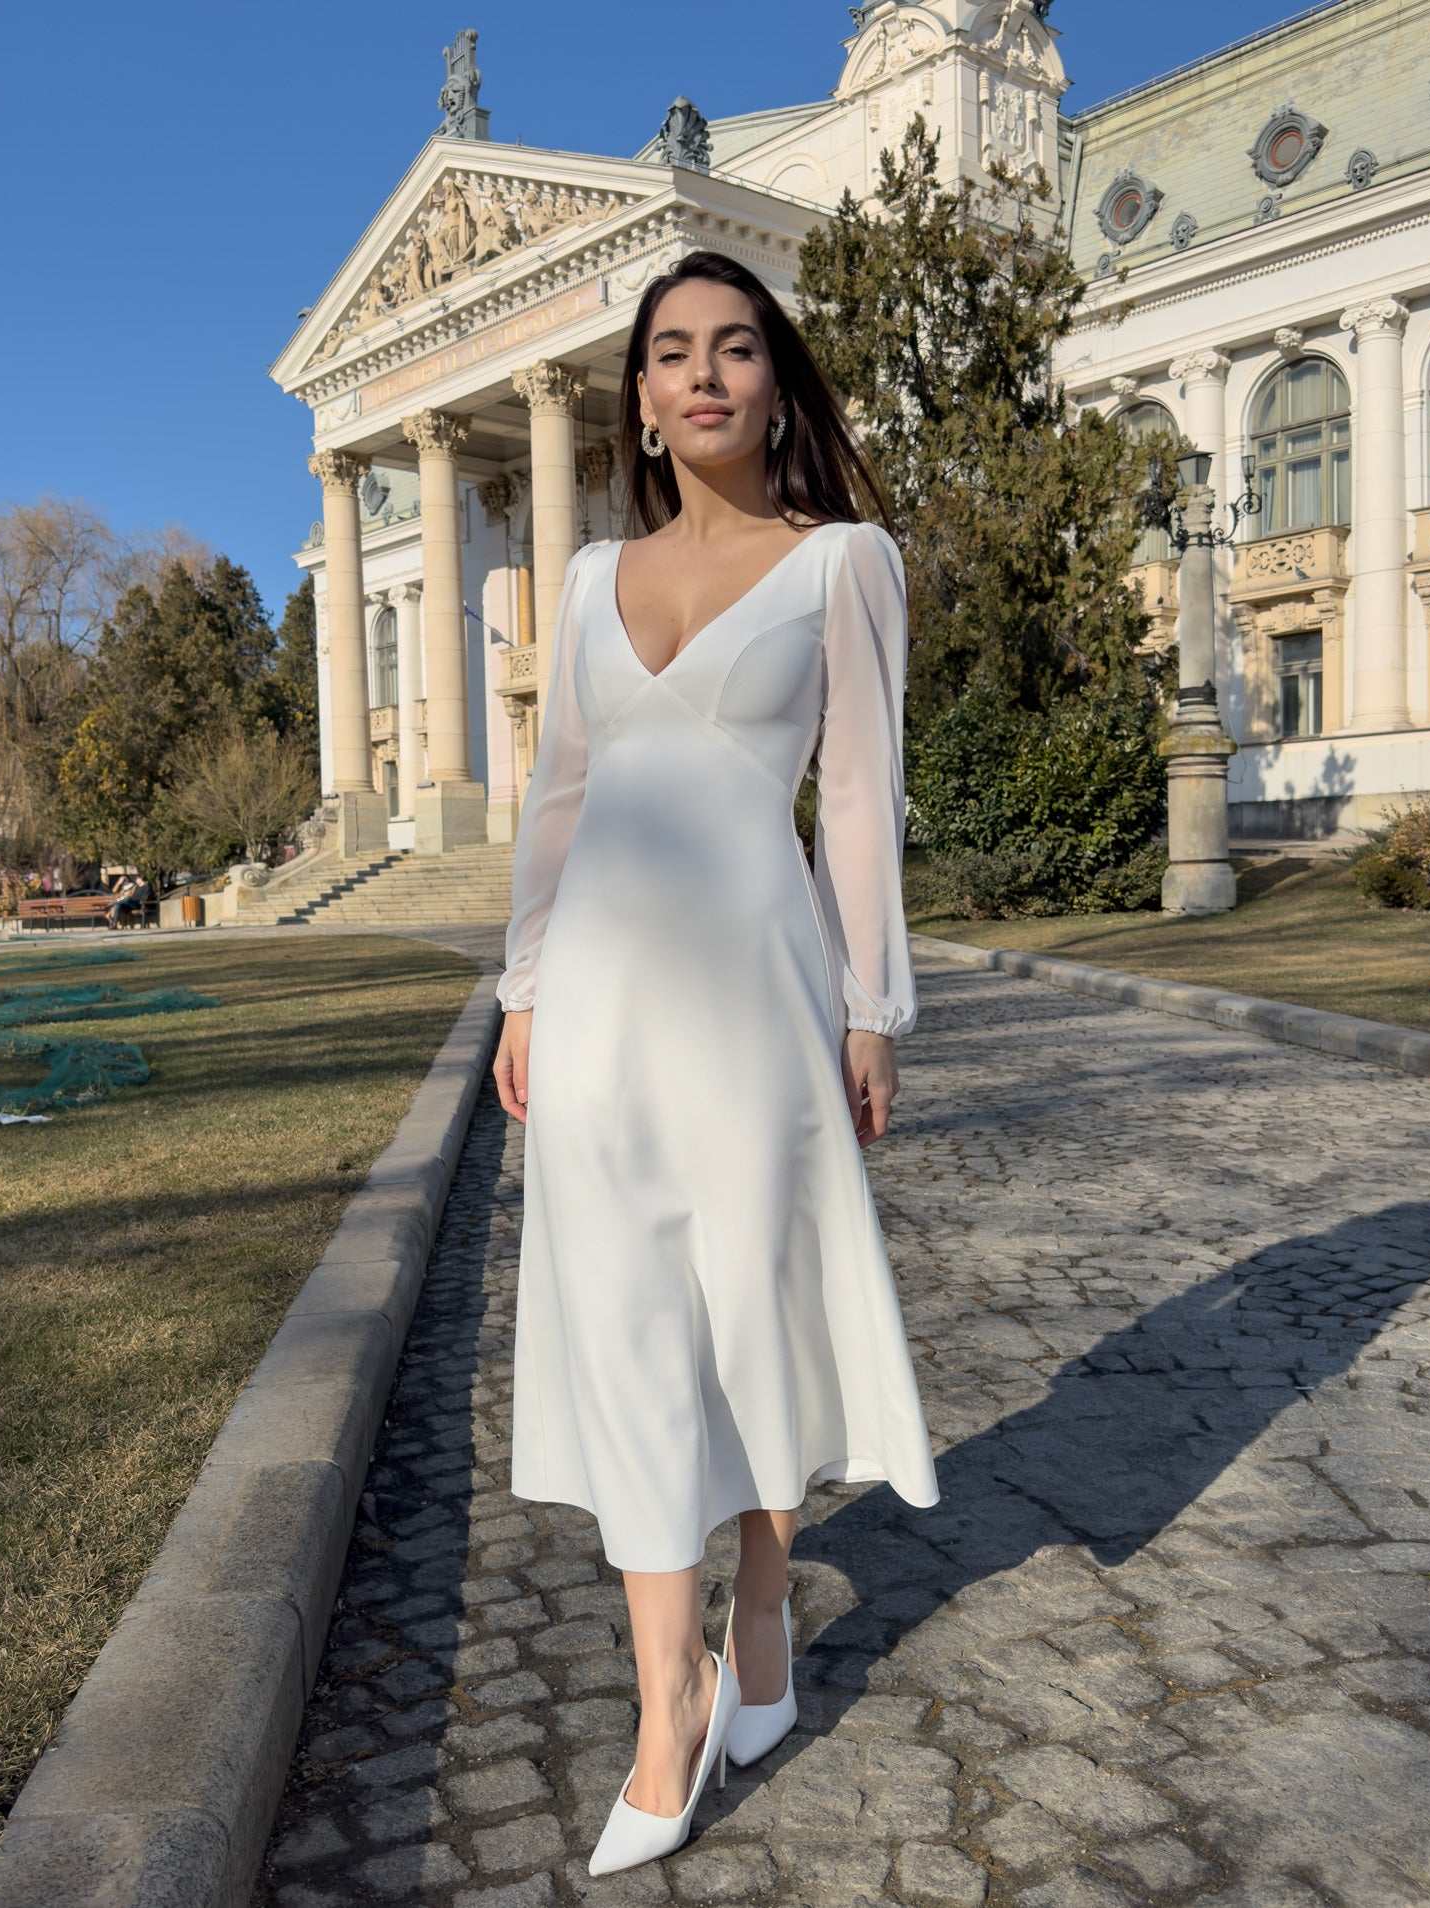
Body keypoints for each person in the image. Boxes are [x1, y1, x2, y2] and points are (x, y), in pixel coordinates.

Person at [490, 248, 940, 1877]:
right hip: (598, 998)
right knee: (626, 1327)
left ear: (775, 384)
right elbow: (557, 796)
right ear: (638, 400)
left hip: (757, 990)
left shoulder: (844, 563)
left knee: (750, 1301)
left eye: (736, 348)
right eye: (673, 351)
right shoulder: (588, 580)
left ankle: (761, 1607)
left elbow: (861, 801)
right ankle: (664, 1701)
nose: (703, 374)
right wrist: (523, 990)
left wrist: (871, 1006)